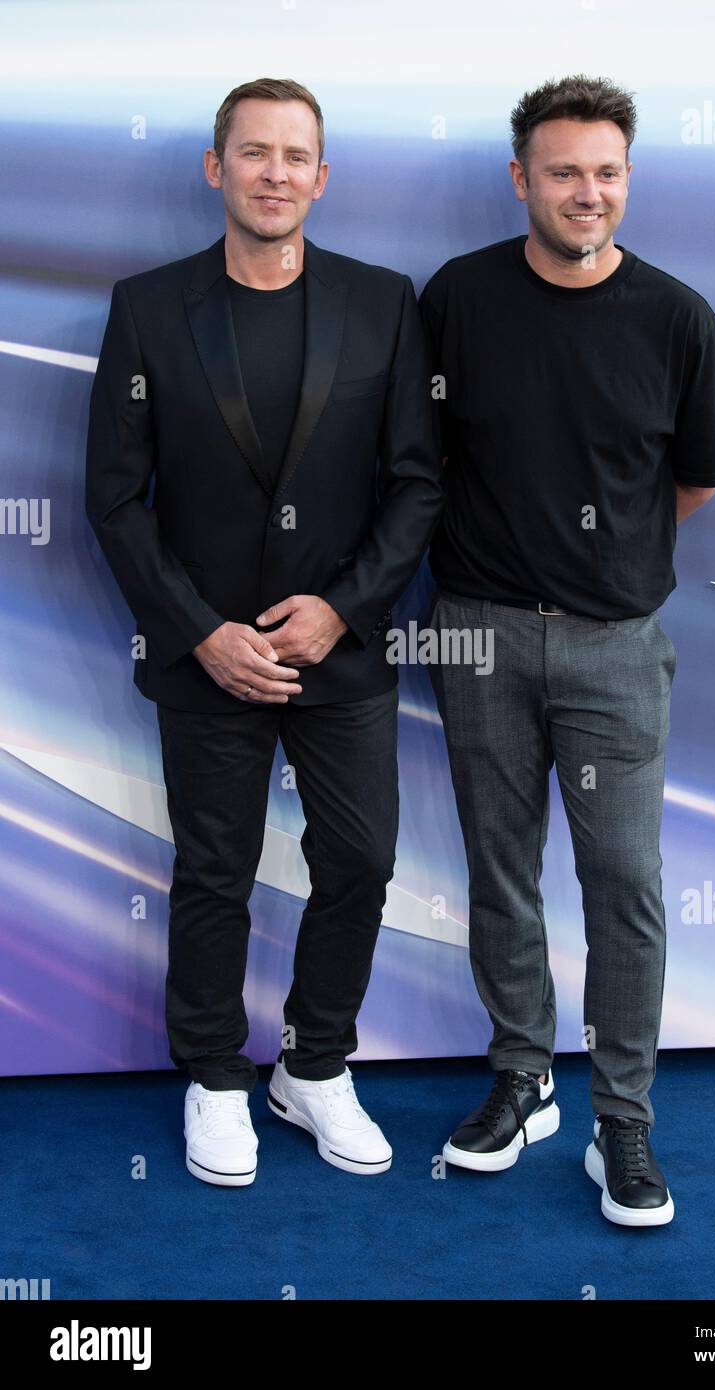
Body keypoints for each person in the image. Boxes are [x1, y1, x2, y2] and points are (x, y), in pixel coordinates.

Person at [86, 77, 443, 1187]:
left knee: (360, 862)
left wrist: (341, 608)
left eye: (296, 155)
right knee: (214, 871)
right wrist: (200, 632)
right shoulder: (148, 307)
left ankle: (315, 1064)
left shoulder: (385, 304)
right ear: (216, 167)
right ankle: (213, 1076)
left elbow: (418, 484)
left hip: (341, 651)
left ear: (321, 178)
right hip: (208, 664)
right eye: (255, 153)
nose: (275, 172)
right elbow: (112, 496)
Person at [419, 75, 715, 1225]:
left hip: (615, 645)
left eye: (606, 173)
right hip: (476, 632)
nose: (585, 193)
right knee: (499, 870)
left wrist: (595, 574)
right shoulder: (456, 299)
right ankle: (520, 1076)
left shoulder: (677, 318)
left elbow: (689, 482)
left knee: (624, 887)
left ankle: (624, 1126)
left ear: (627, 180)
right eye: (563, 172)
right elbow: (422, 463)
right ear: (521, 180)